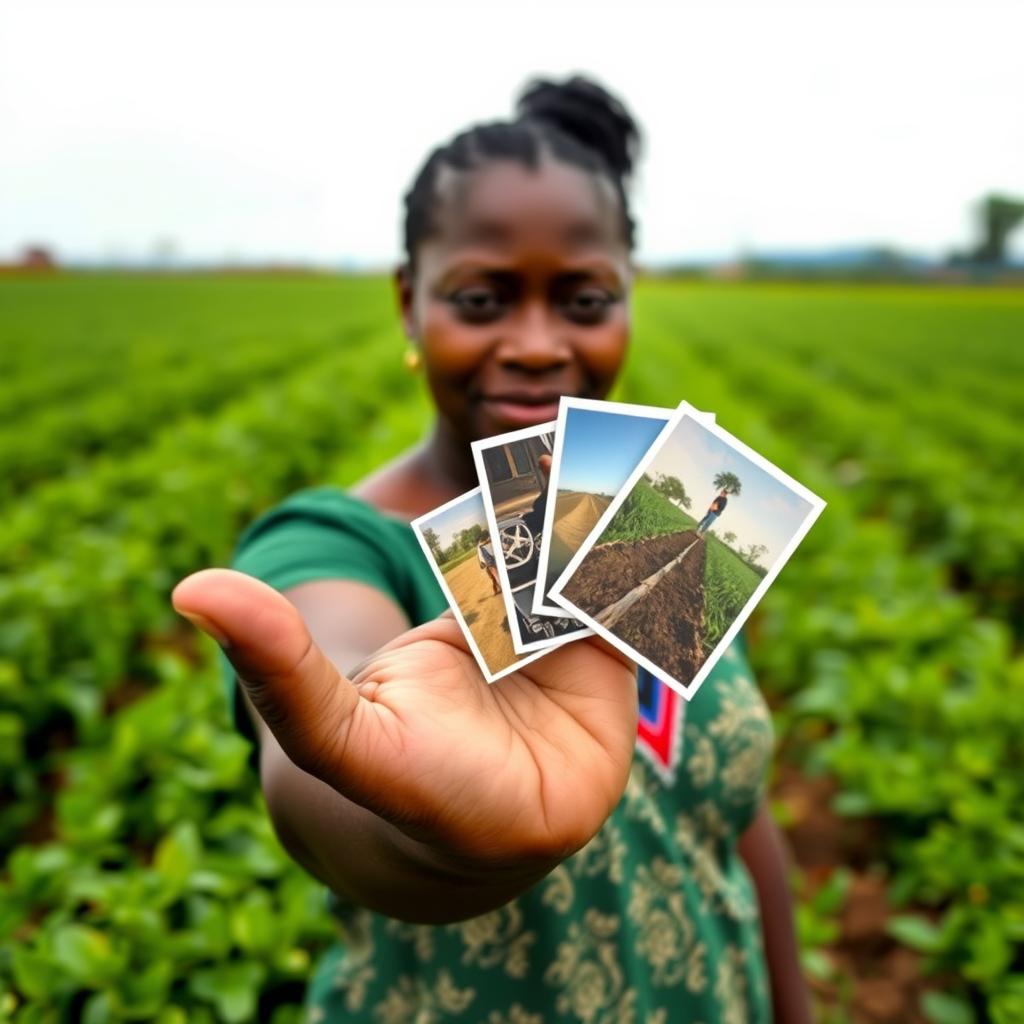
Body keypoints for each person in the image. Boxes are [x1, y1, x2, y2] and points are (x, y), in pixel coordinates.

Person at [171, 75, 812, 1023]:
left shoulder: (666, 516)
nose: (538, 343)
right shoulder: (338, 547)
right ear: (408, 303)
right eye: (482, 299)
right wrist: (436, 836)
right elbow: (327, 788)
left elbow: (735, 808)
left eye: (585, 300)